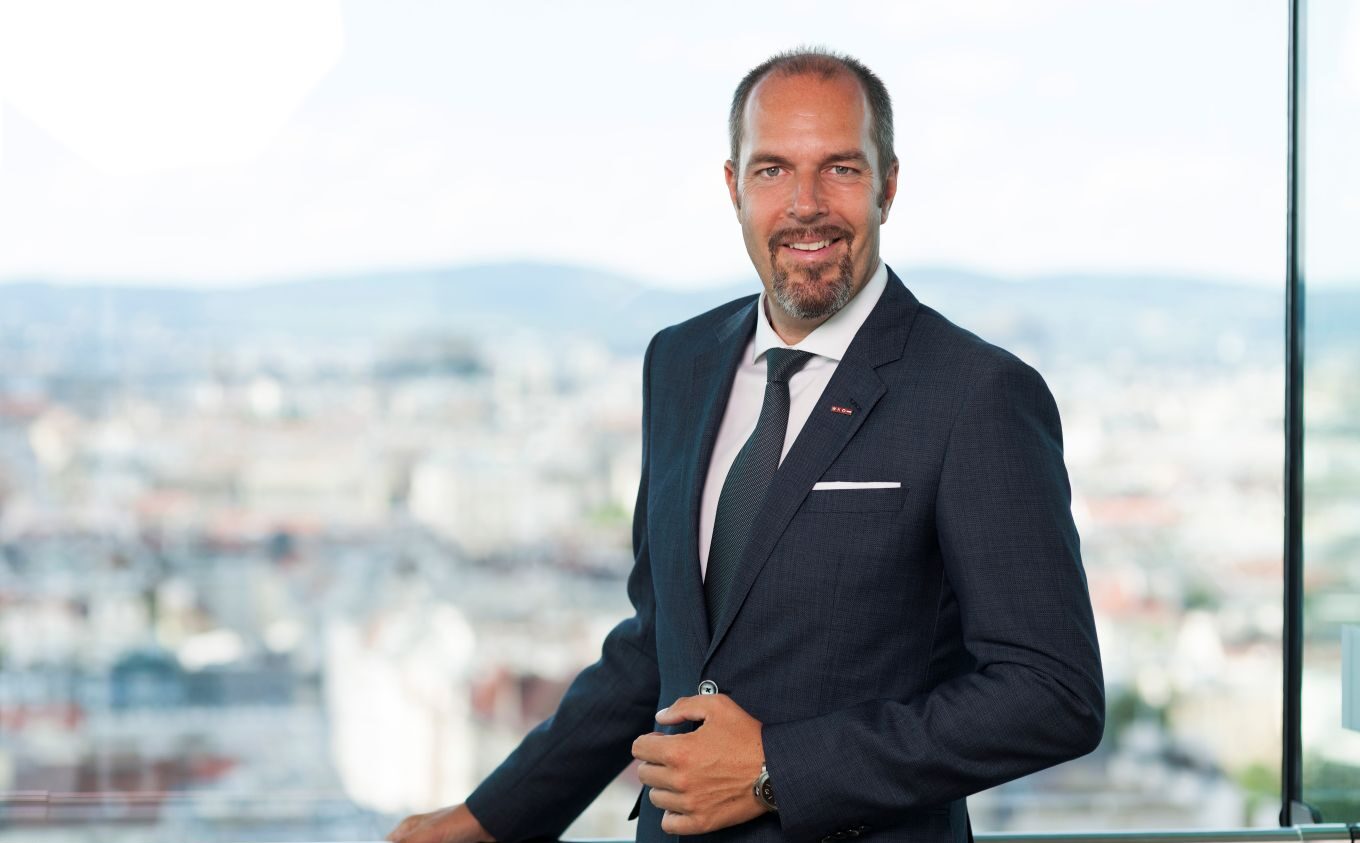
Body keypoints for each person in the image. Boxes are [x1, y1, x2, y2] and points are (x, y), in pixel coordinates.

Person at [388, 47, 1104, 843]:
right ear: (733, 187)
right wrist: (491, 818)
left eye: (840, 169)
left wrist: (777, 771)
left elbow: (1052, 694)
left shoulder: (976, 394)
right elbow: (657, 648)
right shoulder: (680, 362)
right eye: (772, 171)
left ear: (889, 186)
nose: (806, 205)